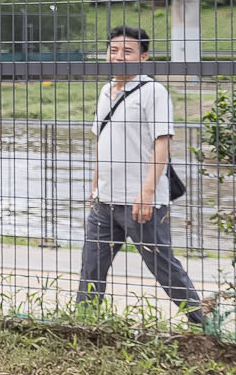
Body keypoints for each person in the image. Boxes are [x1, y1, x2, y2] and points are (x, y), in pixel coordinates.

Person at [77, 25, 208, 326]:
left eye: (127, 51)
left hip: (141, 201)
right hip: (105, 201)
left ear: (143, 57)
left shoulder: (153, 92)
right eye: (113, 50)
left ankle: (201, 323)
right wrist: (95, 187)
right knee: (91, 266)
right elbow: (101, 140)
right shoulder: (106, 91)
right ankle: (83, 323)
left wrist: (147, 192)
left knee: (163, 265)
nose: (118, 56)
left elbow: (163, 142)